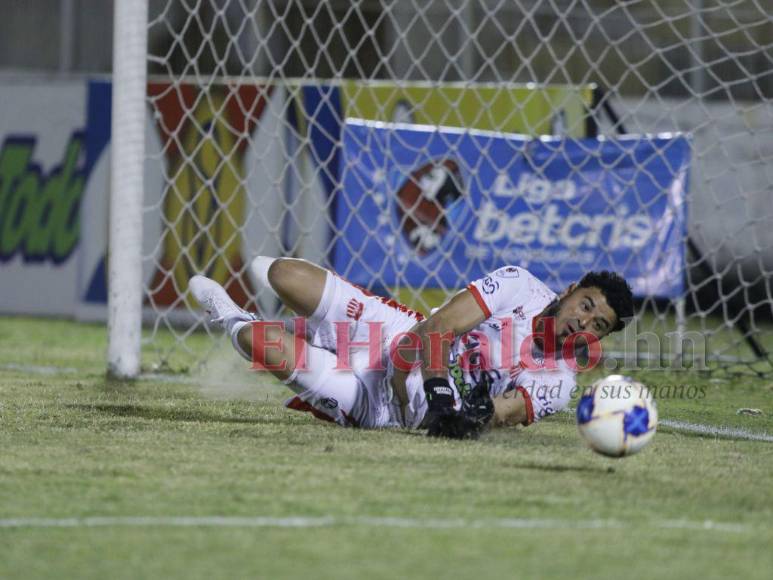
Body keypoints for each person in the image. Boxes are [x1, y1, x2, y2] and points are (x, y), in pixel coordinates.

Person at [189, 256, 633, 438]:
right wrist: (440, 387)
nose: (583, 320)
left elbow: (503, 411)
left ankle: (231, 316)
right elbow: (437, 327)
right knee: (279, 272)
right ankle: (310, 331)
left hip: (385, 407)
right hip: (396, 334)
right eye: (586, 304)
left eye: (598, 324)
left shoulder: (557, 381)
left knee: (255, 340)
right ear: (572, 289)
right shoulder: (519, 284)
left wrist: (466, 412)